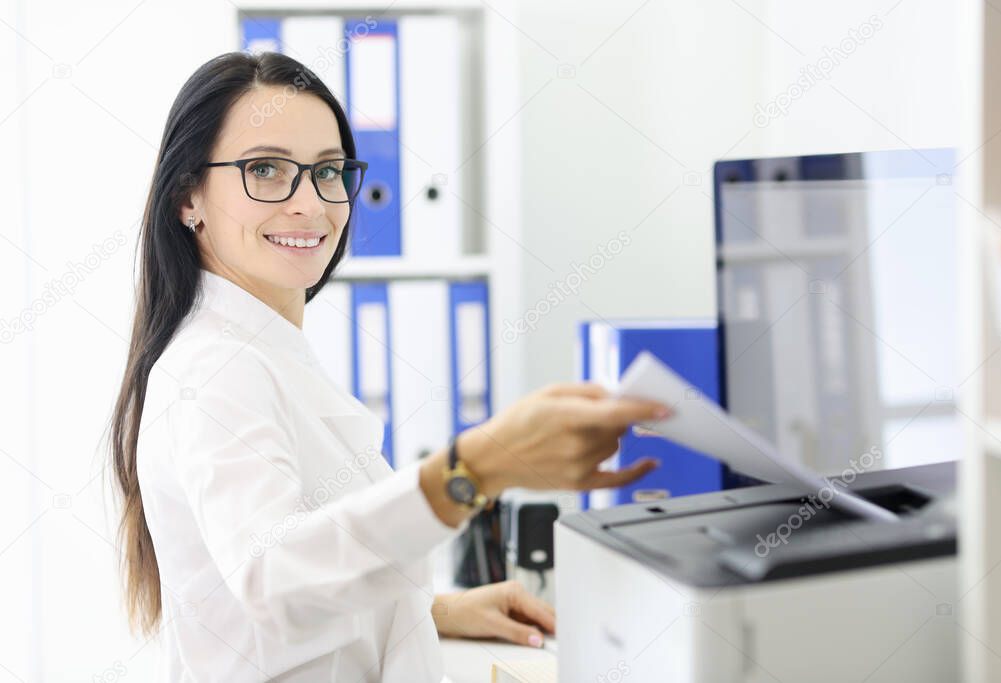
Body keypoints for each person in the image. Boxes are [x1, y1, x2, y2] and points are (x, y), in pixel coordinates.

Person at [105, 51, 669, 682]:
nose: (309, 205)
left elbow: (292, 579)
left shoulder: (264, 351)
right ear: (188, 198)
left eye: (327, 171)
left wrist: (428, 607)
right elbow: (272, 579)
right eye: (265, 169)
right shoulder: (216, 368)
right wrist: (473, 469)